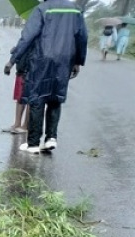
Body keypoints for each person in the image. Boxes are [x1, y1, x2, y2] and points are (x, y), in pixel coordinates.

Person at [5, 0, 86, 154]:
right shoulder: (76, 10)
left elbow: (27, 37)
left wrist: (12, 60)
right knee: (56, 97)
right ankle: (51, 138)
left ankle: (33, 143)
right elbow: (82, 37)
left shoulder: (42, 9)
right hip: (65, 59)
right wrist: (78, 61)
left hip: (42, 58)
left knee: (37, 98)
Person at [3, 44, 31, 134]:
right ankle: (17, 124)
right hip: (22, 68)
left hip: (32, 69)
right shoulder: (28, 32)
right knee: (20, 97)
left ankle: (25, 126)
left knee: (30, 99)